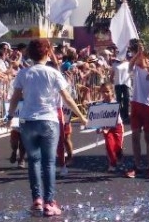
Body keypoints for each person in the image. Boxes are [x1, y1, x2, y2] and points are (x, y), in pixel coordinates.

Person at [7, 39, 88, 217]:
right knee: (49, 162)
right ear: (47, 52)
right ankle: (49, 202)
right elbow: (67, 97)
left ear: (29, 53)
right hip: (49, 120)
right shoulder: (53, 73)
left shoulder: (23, 73)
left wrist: (10, 116)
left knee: (33, 161)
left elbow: (15, 98)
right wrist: (81, 115)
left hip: (27, 120)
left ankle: (37, 199)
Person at [124, 39, 149, 180]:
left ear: (148, 57)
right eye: (138, 55)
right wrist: (138, 54)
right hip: (136, 104)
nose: (140, 58)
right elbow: (129, 65)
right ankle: (137, 165)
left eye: (142, 55)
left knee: (148, 137)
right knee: (135, 136)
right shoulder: (135, 67)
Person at [97, 82, 124, 172]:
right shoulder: (100, 104)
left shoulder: (114, 103)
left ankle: (119, 154)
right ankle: (112, 163)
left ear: (112, 92)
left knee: (117, 146)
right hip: (106, 128)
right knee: (109, 145)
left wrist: (107, 128)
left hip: (117, 127)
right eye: (103, 92)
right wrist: (98, 127)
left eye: (107, 91)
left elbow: (114, 118)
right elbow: (99, 117)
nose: (105, 94)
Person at [110, 49, 131, 123]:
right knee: (118, 99)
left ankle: (126, 115)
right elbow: (112, 75)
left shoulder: (128, 64)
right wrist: (111, 81)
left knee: (126, 99)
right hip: (118, 83)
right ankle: (120, 114)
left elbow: (131, 72)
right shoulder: (115, 64)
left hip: (126, 83)